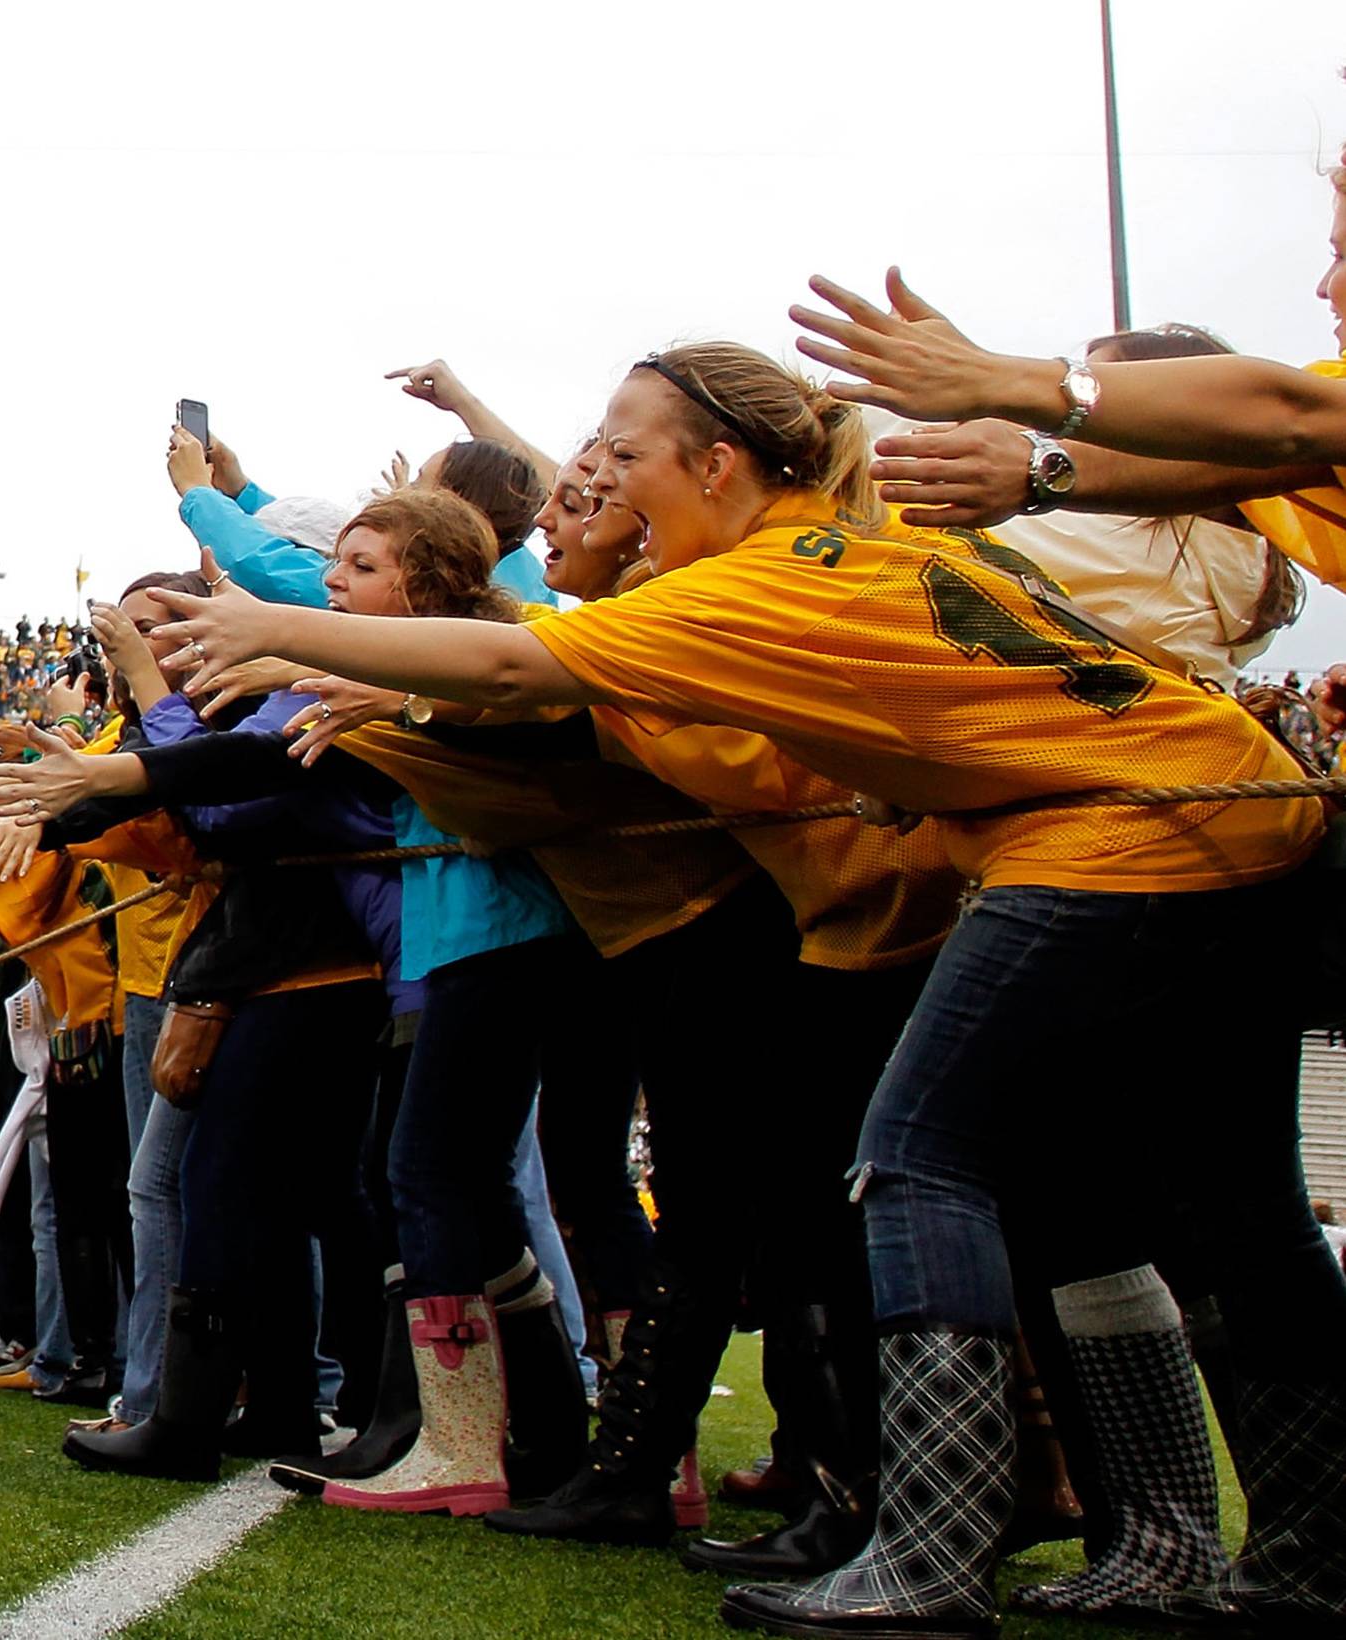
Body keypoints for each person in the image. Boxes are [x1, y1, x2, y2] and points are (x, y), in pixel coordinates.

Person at [143, 340, 1346, 1637]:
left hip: (1112, 836)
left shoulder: (742, 581)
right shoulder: (824, 538)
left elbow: (506, 673)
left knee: (918, 1157)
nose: (592, 480)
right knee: (1189, 1211)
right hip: (1226, 809)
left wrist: (265, 619)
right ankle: (1269, 1550)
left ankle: (925, 1554)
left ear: (713, 465)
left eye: (626, 452)